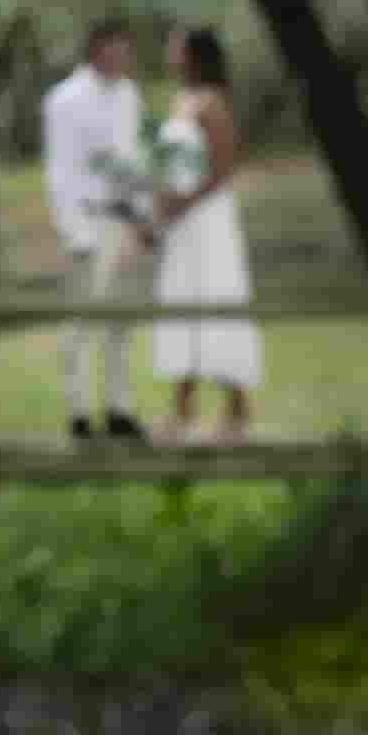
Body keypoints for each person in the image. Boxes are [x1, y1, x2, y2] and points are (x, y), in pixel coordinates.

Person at [149, 25, 262, 443]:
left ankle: (236, 410)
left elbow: (224, 167)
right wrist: (161, 202)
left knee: (215, 299)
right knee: (182, 303)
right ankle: (182, 410)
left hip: (208, 217)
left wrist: (186, 200)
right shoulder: (180, 100)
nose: (170, 53)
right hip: (179, 221)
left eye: (177, 47)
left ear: (195, 55)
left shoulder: (213, 103)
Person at [41, 17, 149, 442]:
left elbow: (135, 159)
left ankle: (119, 409)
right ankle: (80, 413)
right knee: (82, 322)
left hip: (124, 220)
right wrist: (74, 232)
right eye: (115, 49)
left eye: (127, 49)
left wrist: (141, 219)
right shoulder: (64, 99)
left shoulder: (129, 95)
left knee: (122, 320)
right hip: (88, 220)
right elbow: (60, 171)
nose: (123, 57)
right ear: (96, 50)